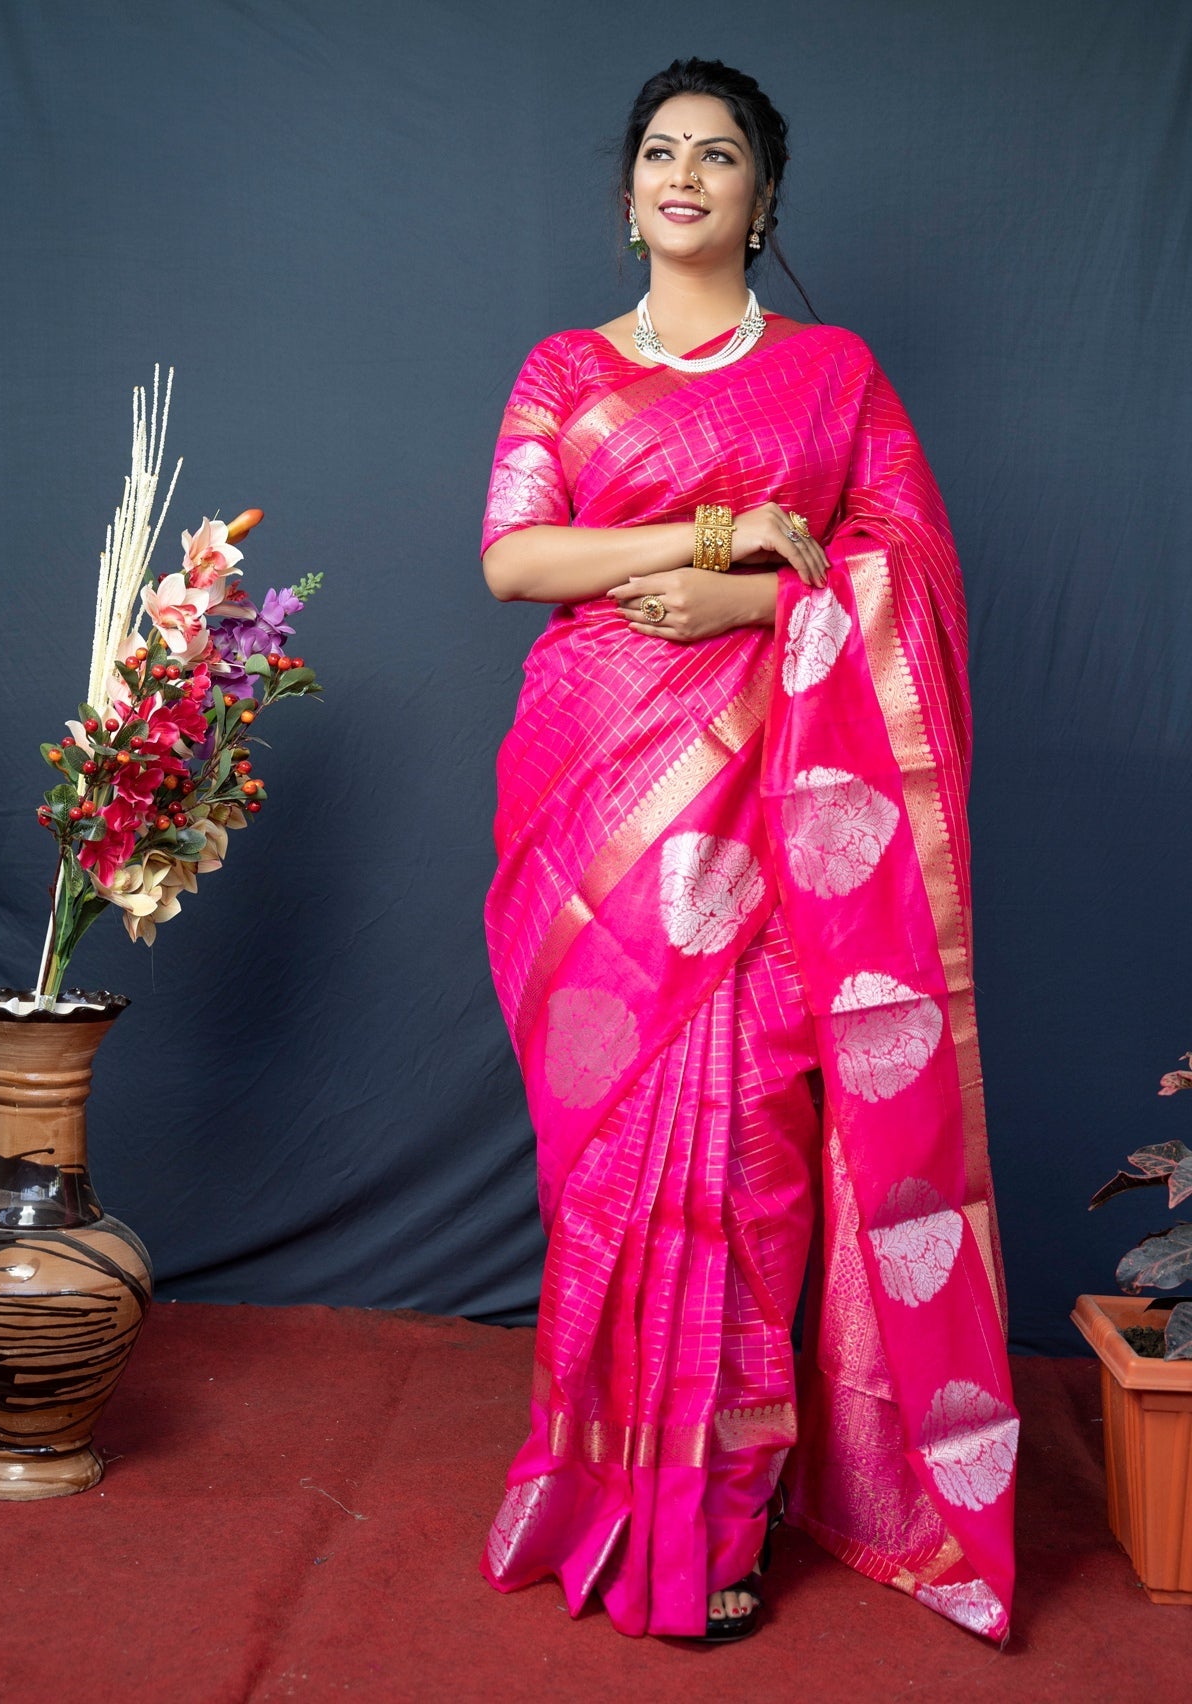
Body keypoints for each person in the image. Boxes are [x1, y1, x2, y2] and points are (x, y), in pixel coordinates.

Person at [478, 57, 1017, 1644]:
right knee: (609, 1170)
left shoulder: (834, 375)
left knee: (749, 1152)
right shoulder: (565, 368)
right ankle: (603, 1484)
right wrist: (718, 538)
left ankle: (716, 1511)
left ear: (763, 198)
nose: (686, 174)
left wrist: (758, 604)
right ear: (628, 189)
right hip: (591, 799)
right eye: (662, 151)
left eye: (719, 155)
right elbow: (515, 558)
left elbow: (909, 573)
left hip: (776, 792)